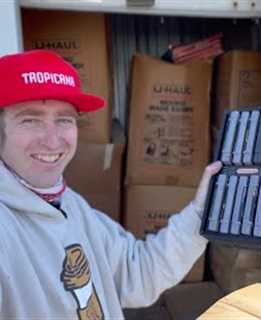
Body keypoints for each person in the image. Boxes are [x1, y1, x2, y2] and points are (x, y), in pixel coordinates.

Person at [0, 49, 222, 319]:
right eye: (30, 120)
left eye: (64, 120)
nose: (52, 140)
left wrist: (201, 213)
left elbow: (139, 274)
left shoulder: (71, 205)